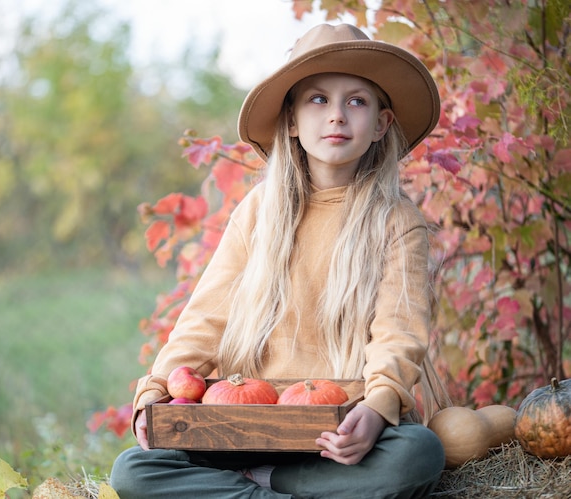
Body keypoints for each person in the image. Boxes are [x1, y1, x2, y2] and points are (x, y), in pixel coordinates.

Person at [110, 23, 450, 499]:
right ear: (291, 120)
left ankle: (268, 486)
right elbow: (205, 317)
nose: (336, 116)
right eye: (317, 100)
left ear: (381, 123)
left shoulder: (396, 221)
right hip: (247, 424)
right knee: (132, 471)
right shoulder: (259, 211)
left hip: (340, 428)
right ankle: (285, 488)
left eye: (356, 101)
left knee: (417, 454)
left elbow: (399, 331)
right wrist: (156, 393)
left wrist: (377, 407)